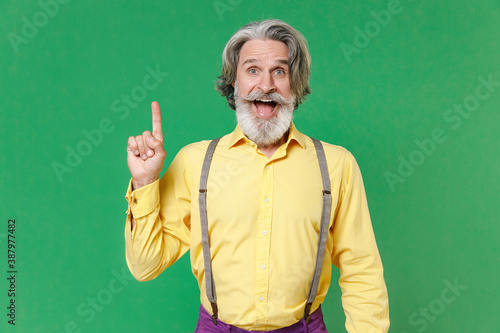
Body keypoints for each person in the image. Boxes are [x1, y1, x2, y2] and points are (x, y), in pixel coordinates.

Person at [124, 19, 389, 332]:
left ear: (296, 84)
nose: (266, 86)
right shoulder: (195, 163)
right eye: (252, 70)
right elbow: (145, 266)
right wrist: (145, 182)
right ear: (234, 84)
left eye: (280, 71)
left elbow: (362, 268)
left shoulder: (336, 165)